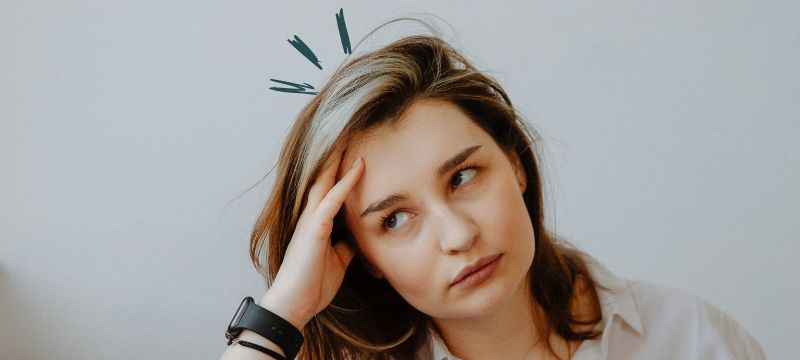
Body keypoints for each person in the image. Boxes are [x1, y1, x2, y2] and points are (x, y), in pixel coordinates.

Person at [220, 21, 766, 360]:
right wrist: (282, 313)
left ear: (515, 162)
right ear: (363, 258)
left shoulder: (691, 340)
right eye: (394, 219)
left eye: (461, 177)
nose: (458, 235)